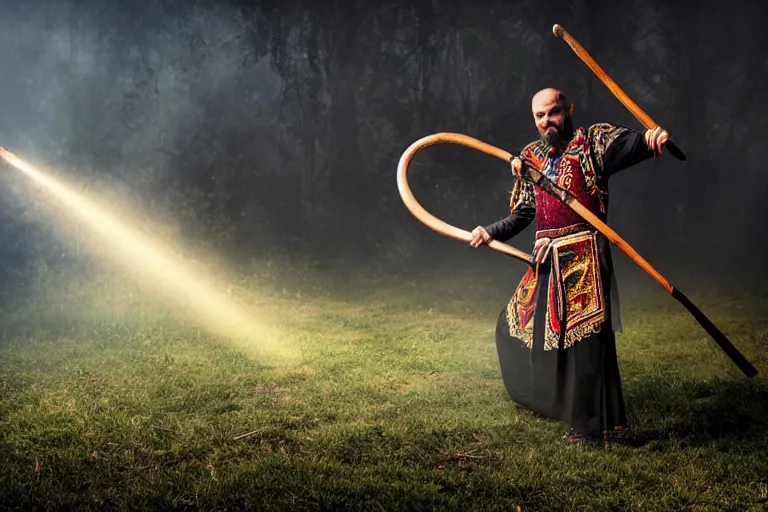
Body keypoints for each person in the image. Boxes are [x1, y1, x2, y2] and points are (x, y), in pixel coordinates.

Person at [469, 87, 669, 443]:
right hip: (546, 259)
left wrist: (651, 139)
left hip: (586, 256)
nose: (548, 121)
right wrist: (489, 231)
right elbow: (524, 213)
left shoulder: (591, 143)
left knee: (586, 345)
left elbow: (631, 145)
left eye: (554, 112)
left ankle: (590, 427)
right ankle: (551, 401)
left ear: (569, 109)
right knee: (514, 328)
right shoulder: (529, 158)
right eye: (540, 116)